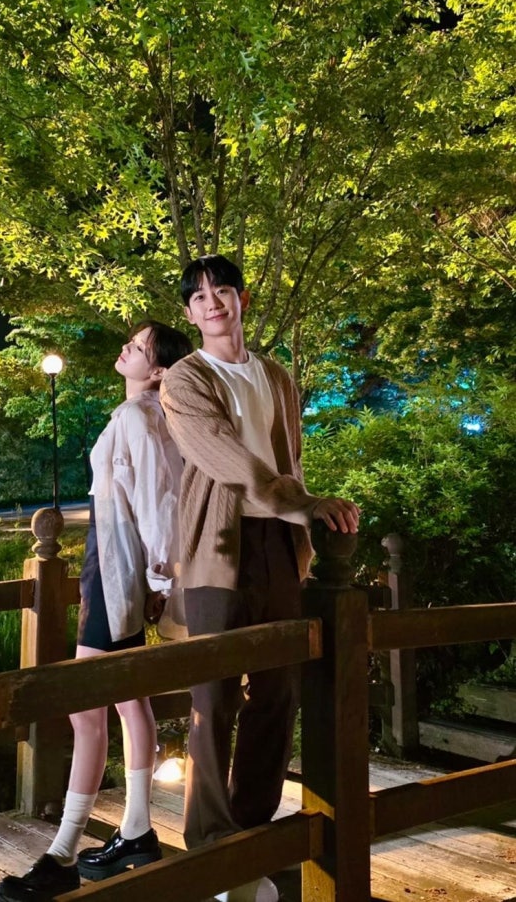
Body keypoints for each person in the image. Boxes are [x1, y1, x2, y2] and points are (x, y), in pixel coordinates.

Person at [160, 255, 360, 902]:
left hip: (278, 544)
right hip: (216, 547)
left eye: (222, 290)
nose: (212, 302)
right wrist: (303, 503)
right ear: (189, 313)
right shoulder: (185, 380)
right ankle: (210, 846)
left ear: (242, 299)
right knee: (213, 697)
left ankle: (251, 834)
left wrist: (301, 515)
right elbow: (227, 459)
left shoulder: (275, 375)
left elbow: (287, 457)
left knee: (278, 692)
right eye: (199, 296)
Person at [0, 320, 193, 902]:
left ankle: (63, 852)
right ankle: (134, 830)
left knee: (89, 708)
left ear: (158, 370)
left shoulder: (139, 417)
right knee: (129, 699)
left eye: (139, 347)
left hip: (115, 567)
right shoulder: (146, 415)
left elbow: (159, 502)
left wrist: (158, 578)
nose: (126, 347)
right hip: (113, 563)